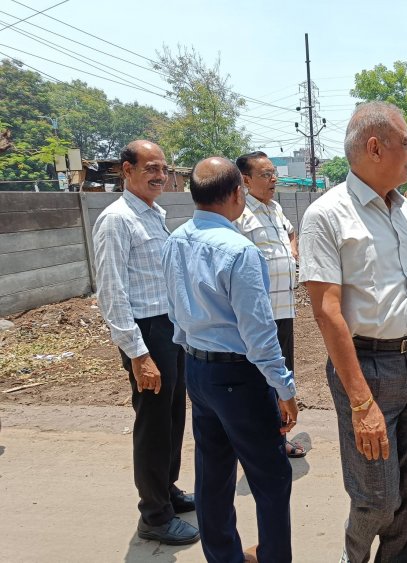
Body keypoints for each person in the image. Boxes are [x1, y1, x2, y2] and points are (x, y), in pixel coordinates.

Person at [298, 101, 407, 563]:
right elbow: (327, 314)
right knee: (377, 496)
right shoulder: (326, 216)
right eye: (406, 142)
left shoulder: (403, 209)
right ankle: (355, 556)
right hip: (368, 369)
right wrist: (362, 402)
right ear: (375, 146)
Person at [161, 156, 298, 563]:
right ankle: (274, 556)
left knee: (214, 472)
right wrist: (284, 388)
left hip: (198, 369)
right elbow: (259, 335)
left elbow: (174, 311)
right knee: (272, 477)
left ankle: (224, 556)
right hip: (240, 376)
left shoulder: (176, 239)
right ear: (238, 192)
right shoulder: (240, 251)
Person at [92, 140, 198, 546]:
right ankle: (153, 516)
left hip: (168, 329)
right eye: (150, 168)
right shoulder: (117, 219)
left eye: (163, 168)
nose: (160, 175)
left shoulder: (153, 214)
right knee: (153, 424)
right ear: (127, 170)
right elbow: (111, 291)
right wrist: (138, 353)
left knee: (172, 418)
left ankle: (166, 492)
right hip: (146, 334)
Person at [235, 151, 305, 458]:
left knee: (283, 375)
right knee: (258, 378)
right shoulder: (239, 214)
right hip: (257, 314)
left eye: (273, 173)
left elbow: (292, 231)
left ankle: (279, 437)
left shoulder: (275, 208)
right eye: (265, 174)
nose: (273, 179)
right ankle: (258, 442)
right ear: (246, 180)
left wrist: (292, 254)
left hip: (284, 309)